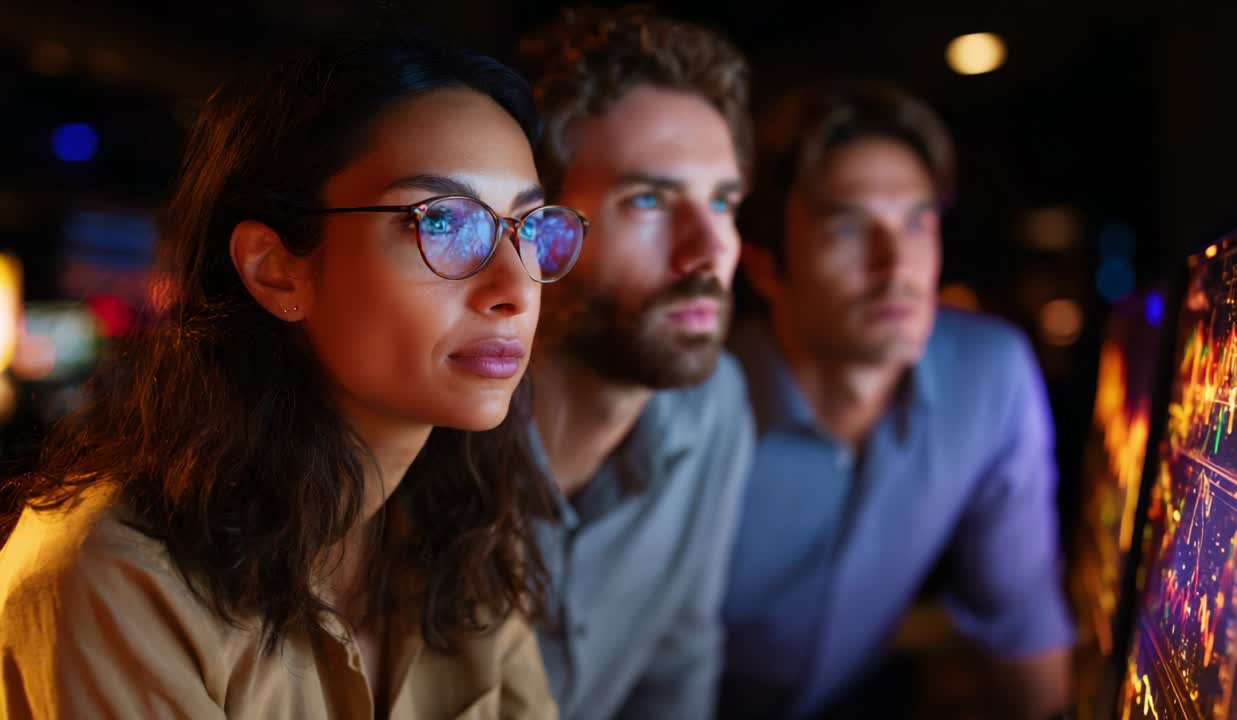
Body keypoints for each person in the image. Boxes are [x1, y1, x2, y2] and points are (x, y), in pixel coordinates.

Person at [0, 28, 589, 719]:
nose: (514, 288)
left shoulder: (462, 541)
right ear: (274, 268)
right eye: (443, 225)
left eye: (529, 228)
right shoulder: (116, 576)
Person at [720, 79, 1074, 719]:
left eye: (917, 222)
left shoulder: (989, 375)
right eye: (850, 228)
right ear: (766, 265)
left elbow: (1022, 626)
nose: (896, 266)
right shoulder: (697, 402)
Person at [514, 7, 754, 719]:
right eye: (648, 200)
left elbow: (678, 668)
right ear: (542, 231)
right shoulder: (423, 427)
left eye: (724, 202)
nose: (708, 252)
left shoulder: (715, 405)